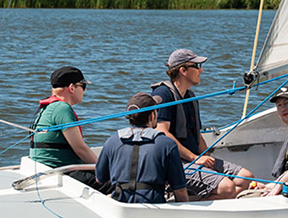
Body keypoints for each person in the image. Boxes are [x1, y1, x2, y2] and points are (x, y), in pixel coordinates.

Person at [151, 49, 254, 200]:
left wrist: (206, 157)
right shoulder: (164, 94)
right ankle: (185, 207)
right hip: (175, 163)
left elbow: (197, 135)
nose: (202, 70)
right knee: (227, 188)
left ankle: (195, 199)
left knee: (246, 178)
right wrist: (195, 158)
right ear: (183, 70)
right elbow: (162, 133)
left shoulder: (191, 97)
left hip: (194, 158)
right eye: (197, 66)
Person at [29, 66, 111, 194]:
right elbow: (80, 149)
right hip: (60, 171)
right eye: (83, 86)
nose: (85, 90)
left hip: (46, 168)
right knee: (118, 185)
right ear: (72, 88)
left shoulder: (48, 108)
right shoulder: (62, 109)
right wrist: (103, 172)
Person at [95, 92, 189, 203]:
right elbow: (180, 190)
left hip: (121, 205)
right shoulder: (167, 144)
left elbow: (100, 179)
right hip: (153, 207)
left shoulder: (112, 142)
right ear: (152, 116)